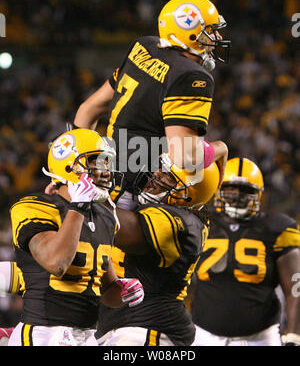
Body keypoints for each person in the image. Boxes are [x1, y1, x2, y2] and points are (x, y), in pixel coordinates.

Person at [73, 0, 231, 209]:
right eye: (211, 30)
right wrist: (220, 148)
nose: (217, 37)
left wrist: (77, 174)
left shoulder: (143, 46)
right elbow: (184, 156)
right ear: (192, 34)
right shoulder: (192, 76)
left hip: (101, 184)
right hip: (135, 194)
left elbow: (89, 109)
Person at [6, 128, 144, 346]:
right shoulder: (36, 206)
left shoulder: (105, 216)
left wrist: (123, 292)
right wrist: (77, 207)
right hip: (43, 334)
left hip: (87, 334)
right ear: (69, 166)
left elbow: (106, 288)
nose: (105, 171)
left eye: (106, 163)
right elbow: (56, 262)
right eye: (96, 162)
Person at [96, 153, 222, 346]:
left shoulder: (182, 222)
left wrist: (93, 191)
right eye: (160, 169)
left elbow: (110, 225)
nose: (156, 175)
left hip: (151, 329)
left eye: (168, 176)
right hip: (126, 325)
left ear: (190, 192)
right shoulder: (176, 212)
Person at [190, 157, 300, 346]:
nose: (237, 195)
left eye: (246, 190)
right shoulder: (202, 222)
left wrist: (294, 335)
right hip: (203, 335)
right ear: (219, 189)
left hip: (260, 338)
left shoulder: (278, 227)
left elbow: (295, 288)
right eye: (230, 188)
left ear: (258, 194)